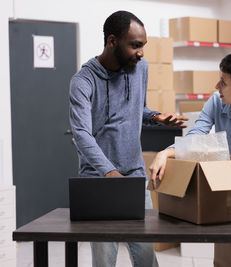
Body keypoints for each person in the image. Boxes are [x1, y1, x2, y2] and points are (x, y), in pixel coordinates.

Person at [69, 10, 187, 267]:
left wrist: (156, 117)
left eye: (143, 46)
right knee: (104, 259)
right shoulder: (83, 81)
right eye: (135, 45)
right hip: (98, 180)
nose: (141, 53)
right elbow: (81, 134)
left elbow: (137, 108)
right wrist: (110, 173)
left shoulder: (139, 68)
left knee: (146, 257)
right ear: (112, 41)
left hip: (134, 176)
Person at [149, 51, 231, 267]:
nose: (216, 87)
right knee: (224, 254)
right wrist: (166, 152)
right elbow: (195, 135)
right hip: (229, 180)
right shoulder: (216, 102)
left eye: (223, 82)